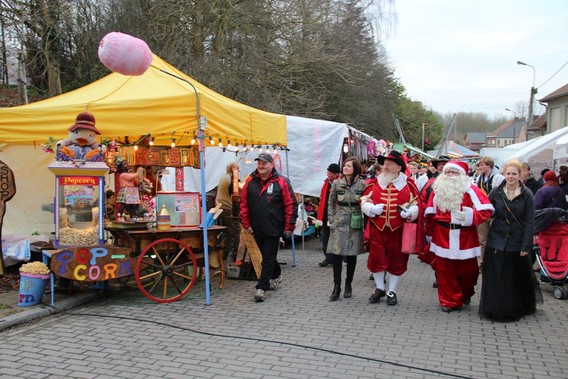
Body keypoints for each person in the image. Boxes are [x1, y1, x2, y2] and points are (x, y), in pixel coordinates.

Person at [424, 161, 494, 312]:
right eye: (447, 172)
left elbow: (487, 209)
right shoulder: (437, 190)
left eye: (453, 172)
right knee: (444, 271)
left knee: (469, 271)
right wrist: (429, 235)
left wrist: (469, 216)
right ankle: (449, 301)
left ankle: (466, 292)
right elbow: (429, 214)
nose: (449, 175)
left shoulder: (471, 190)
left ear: (462, 174)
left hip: (465, 236)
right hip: (442, 235)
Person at [479, 159, 542, 322]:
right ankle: (495, 307)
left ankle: (512, 307)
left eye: (515, 173)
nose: (511, 176)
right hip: (497, 239)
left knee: (511, 277)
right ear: (504, 174)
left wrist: (526, 245)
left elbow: (530, 222)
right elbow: (489, 213)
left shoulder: (527, 194)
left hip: (516, 241)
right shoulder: (496, 192)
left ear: (520, 175)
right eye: (508, 173)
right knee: (497, 276)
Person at [361, 150, 420, 306]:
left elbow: (417, 204)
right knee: (376, 258)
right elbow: (364, 200)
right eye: (384, 164)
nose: (385, 167)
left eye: (389, 164)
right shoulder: (374, 183)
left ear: (399, 167)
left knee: (397, 260)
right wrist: (370, 208)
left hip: (398, 230)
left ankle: (391, 291)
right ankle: (379, 288)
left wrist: (410, 213)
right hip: (377, 229)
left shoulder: (408, 185)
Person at [240, 152, 298, 302]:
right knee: (268, 257)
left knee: (267, 258)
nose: (261, 165)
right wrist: (246, 223)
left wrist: (289, 226)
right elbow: (244, 204)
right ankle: (276, 274)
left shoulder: (282, 182)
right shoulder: (250, 182)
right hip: (256, 227)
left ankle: (262, 287)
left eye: (264, 163)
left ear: (271, 165)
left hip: (273, 227)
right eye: (259, 163)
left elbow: (291, 204)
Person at [326, 157, 367, 301]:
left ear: (355, 168)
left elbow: (367, 202)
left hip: (355, 223)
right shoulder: (337, 183)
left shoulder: (362, 184)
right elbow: (330, 202)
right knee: (336, 255)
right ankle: (336, 286)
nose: (345, 168)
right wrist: (331, 218)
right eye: (344, 166)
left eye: (349, 166)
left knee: (351, 255)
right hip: (339, 222)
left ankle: (348, 284)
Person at [475, 156, 505, 269]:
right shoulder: (479, 178)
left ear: (489, 165)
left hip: (495, 213)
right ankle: (481, 262)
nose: (481, 167)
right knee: (482, 239)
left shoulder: (498, 178)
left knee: (495, 239)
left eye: (483, 165)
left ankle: (494, 262)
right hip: (483, 212)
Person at [315, 163, 341, 267]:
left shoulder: (340, 183)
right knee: (325, 236)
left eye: (330, 173)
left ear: (335, 174)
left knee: (335, 237)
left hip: (335, 214)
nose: (327, 174)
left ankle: (336, 258)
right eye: (328, 172)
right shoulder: (326, 183)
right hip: (325, 214)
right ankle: (328, 257)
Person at [216, 162, 240, 260]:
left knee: (226, 232)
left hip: (220, 206)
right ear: (233, 169)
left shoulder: (224, 177)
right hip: (227, 207)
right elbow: (235, 194)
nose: (239, 170)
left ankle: (222, 256)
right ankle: (230, 256)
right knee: (234, 233)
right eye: (238, 169)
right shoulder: (232, 178)